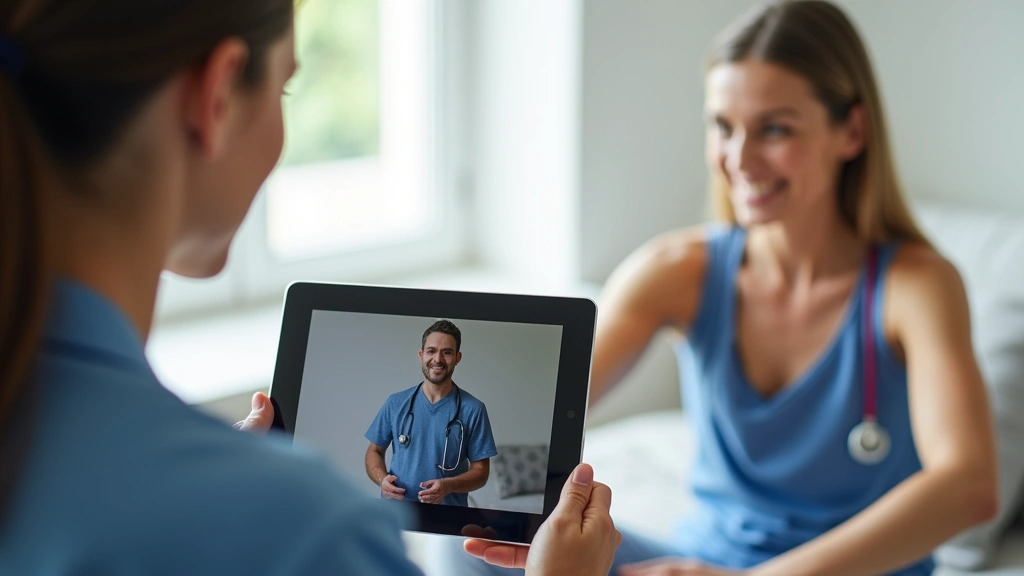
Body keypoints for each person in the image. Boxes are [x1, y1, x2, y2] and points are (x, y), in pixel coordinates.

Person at [0, 1, 621, 574]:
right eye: (285, 88)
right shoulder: (315, 533)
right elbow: (368, 459)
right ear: (216, 96)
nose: (436, 357)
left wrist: (236, 480)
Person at [443, 1, 998, 575]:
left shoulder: (916, 286)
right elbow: (541, 422)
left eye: (775, 129)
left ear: (851, 130)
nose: (739, 160)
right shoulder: (677, 270)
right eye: (722, 126)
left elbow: (970, 485)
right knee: (469, 544)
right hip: (705, 561)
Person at [365, 320, 498, 506]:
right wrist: (382, 480)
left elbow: (481, 472)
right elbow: (374, 451)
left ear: (458, 357)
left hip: (448, 517)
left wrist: (448, 486)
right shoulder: (395, 403)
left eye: (447, 352)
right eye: (431, 351)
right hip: (399, 511)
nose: (437, 359)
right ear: (421, 355)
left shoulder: (473, 409)